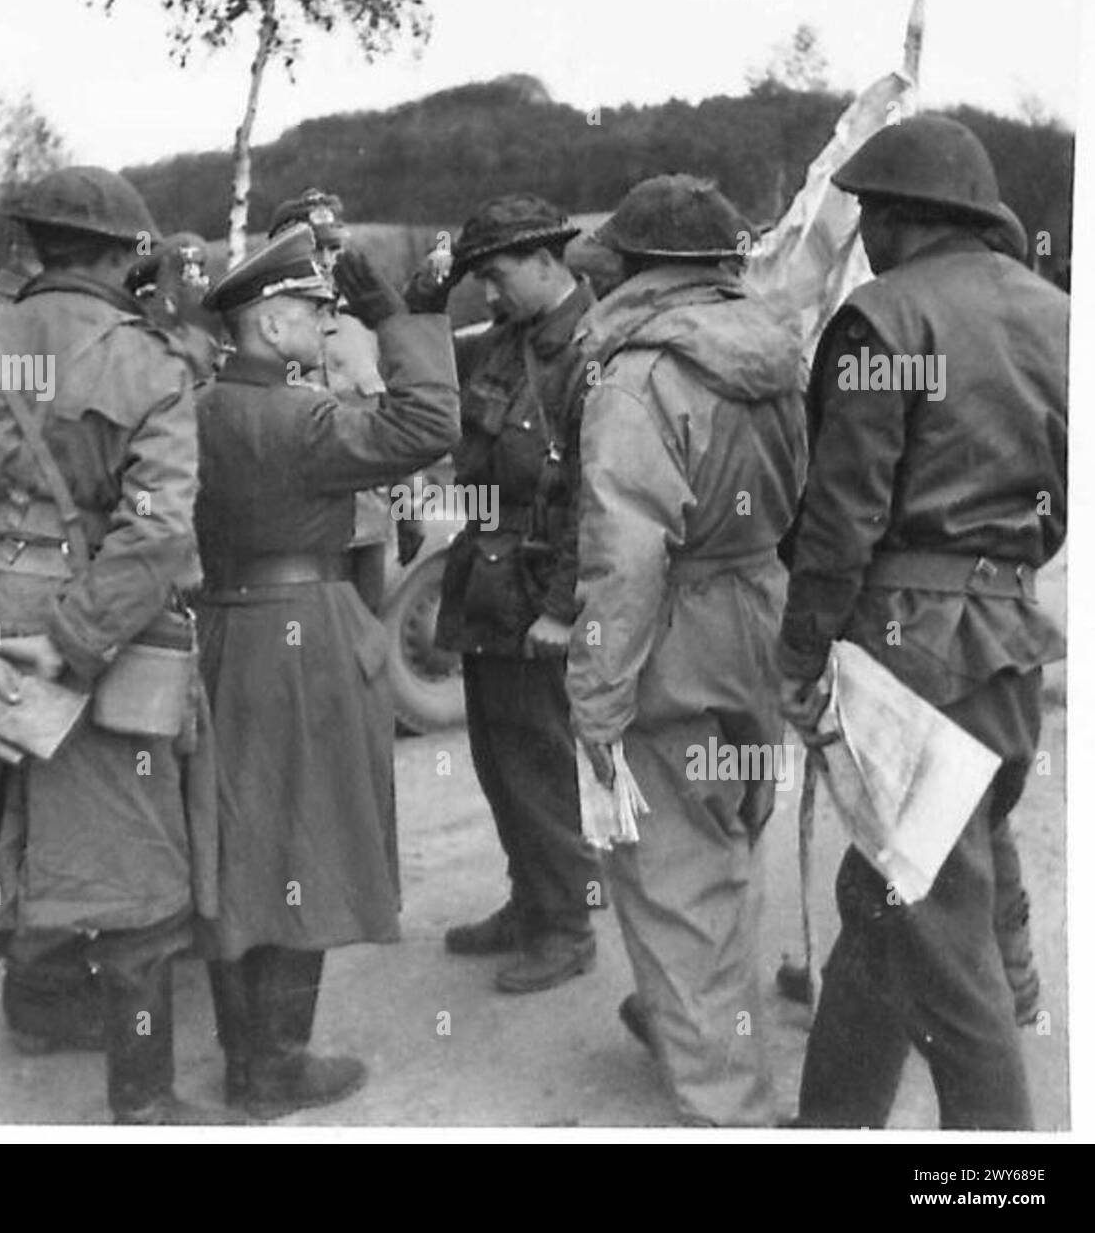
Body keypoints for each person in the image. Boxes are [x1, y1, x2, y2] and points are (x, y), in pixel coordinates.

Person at [0, 166, 219, 1125]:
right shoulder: (152, 367)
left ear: (30, 244)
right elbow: (156, 531)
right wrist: (68, 642)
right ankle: (144, 1109)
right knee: (134, 892)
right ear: (121, 256)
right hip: (108, 646)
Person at [778, 114, 1067, 1129]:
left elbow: (841, 517)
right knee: (886, 904)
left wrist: (800, 652)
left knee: (942, 947)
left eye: (866, 213)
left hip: (907, 658)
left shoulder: (884, 319)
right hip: (1007, 643)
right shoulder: (1057, 315)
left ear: (898, 217)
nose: (862, 234)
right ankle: (834, 1121)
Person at [195, 224, 459, 1118]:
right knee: (305, 841)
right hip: (300, 635)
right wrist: (400, 320)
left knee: (238, 849)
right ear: (270, 325)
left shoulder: (201, 407)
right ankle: (276, 1067)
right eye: (313, 309)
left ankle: (244, 1059)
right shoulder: (301, 419)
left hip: (223, 629)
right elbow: (430, 423)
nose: (325, 321)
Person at [565, 175, 806, 1126]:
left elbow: (625, 560)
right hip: (761, 614)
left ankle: (729, 1103)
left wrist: (596, 705)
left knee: (674, 874)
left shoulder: (636, 379)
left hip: (676, 630)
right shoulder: (780, 353)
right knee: (730, 842)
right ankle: (701, 1031)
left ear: (634, 269)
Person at [430, 193, 602, 994]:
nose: (489, 293)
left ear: (544, 260)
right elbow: (429, 383)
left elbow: (599, 496)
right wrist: (420, 300)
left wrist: (565, 607)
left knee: (542, 764)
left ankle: (567, 924)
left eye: (497, 276)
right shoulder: (503, 343)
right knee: (499, 760)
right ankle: (530, 899)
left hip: (542, 590)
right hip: (491, 581)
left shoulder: (592, 351)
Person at [267, 189, 412, 610]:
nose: (328, 261)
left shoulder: (365, 325)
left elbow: (395, 418)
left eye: (335, 249)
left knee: (363, 635)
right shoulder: (262, 329)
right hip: (293, 532)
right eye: (316, 250)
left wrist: (410, 506)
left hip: (367, 526)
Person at [126, 230, 223, 382]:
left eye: (199, 273)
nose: (203, 283)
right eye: (188, 276)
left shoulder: (204, 340)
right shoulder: (136, 340)